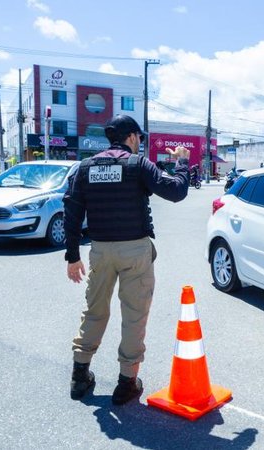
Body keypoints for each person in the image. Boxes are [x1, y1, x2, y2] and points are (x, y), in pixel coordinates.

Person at [63, 115, 190, 405]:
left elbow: (71, 210)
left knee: (94, 311)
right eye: (140, 138)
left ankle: (79, 376)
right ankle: (126, 383)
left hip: (99, 251)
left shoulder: (86, 167)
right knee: (134, 315)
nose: (140, 144)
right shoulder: (137, 164)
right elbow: (176, 191)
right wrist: (182, 162)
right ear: (132, 137)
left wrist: (72, 256)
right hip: (134, 251)